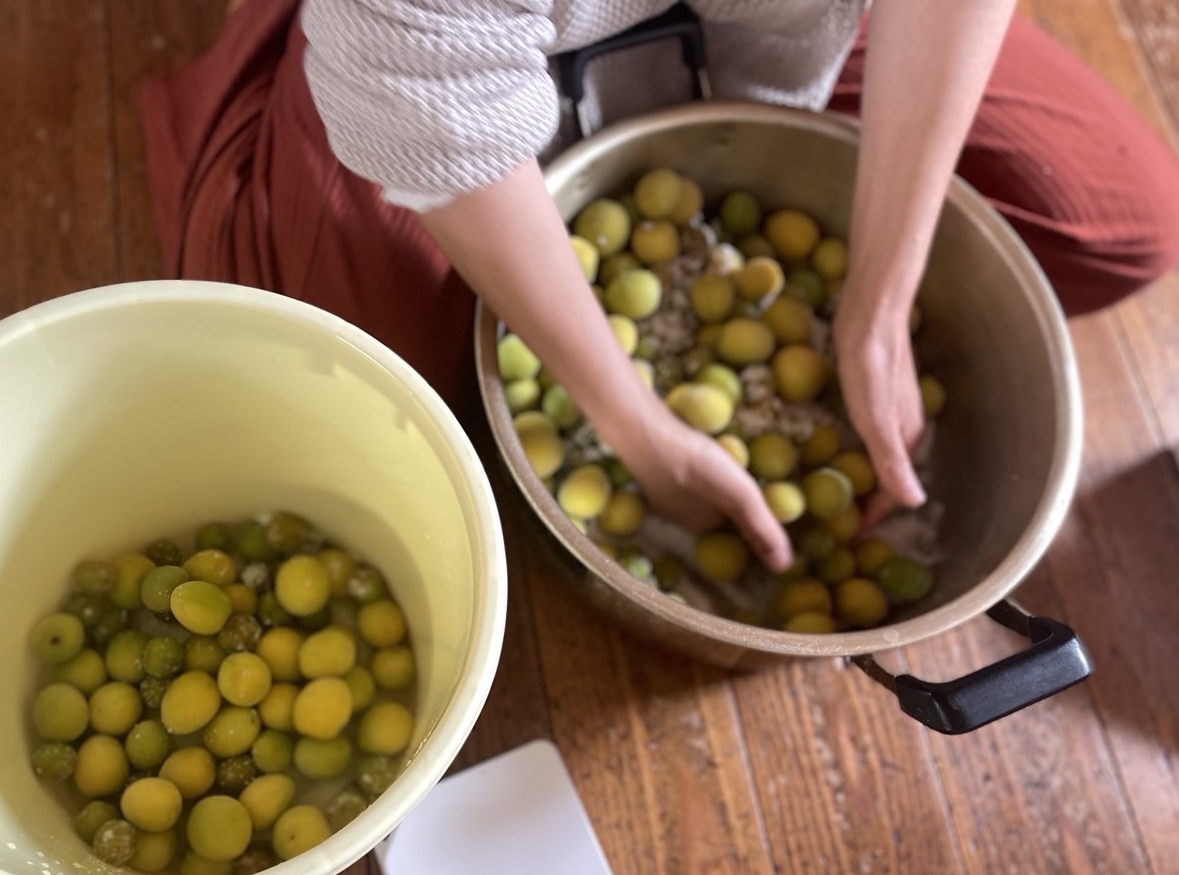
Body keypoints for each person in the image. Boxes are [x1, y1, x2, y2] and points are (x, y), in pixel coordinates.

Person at [140, 0, 1179, 573]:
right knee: (322, 392)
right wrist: (630, 420)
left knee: (1120, 221)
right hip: (424, 35)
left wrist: (878, 298)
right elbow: (416, 83)